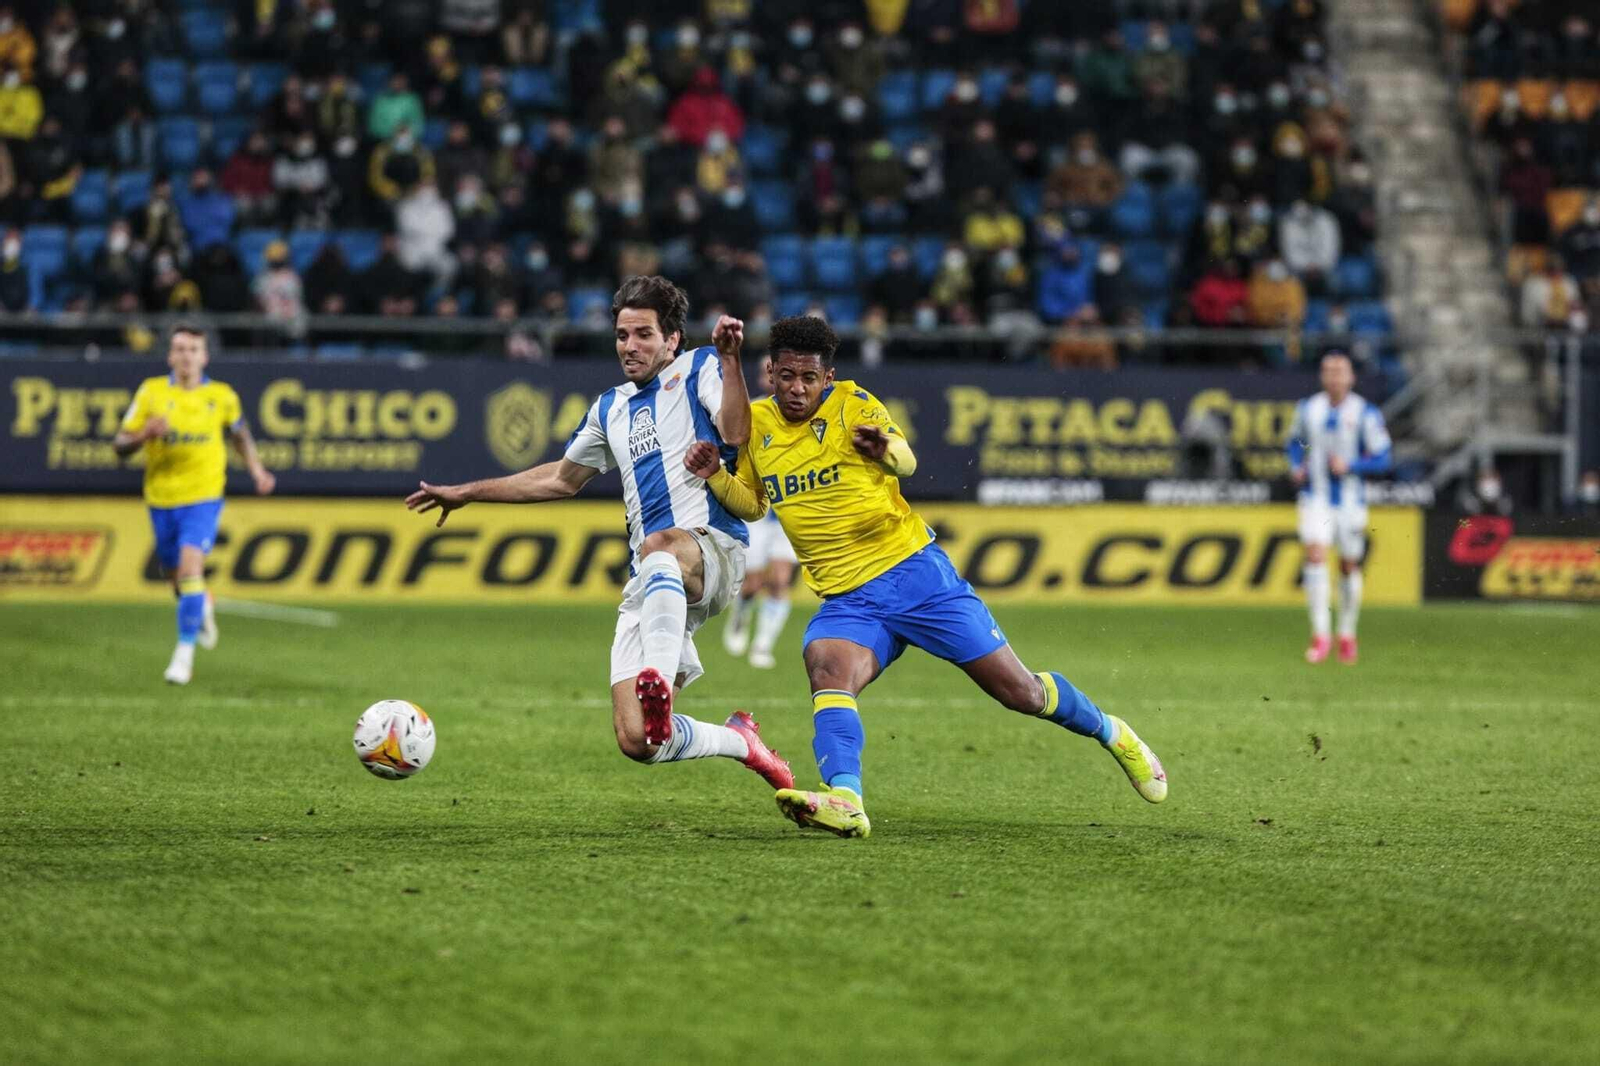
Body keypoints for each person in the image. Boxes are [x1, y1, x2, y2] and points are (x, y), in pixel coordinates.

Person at [686, 315, 1167, 839]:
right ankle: (845, 799)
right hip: (849, 600)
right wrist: (717, 476)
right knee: (826, 666)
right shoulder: (756, 425)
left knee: (1021, 694)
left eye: (808, 378)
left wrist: (885, 452)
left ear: (828, 377)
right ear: (771, 374)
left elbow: (907, 460)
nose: (797, 389)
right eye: (786, 376)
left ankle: (1111, 731)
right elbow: (754, 505)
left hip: (915, 578)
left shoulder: (853, 404)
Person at [404, 276, 792, 793]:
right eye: (622, 335)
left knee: (659, 545)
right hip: (655, 580)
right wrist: (469, 492)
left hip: (711, 549)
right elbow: (560, 479)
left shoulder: (700, 366)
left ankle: (657, 676)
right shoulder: (610, 408)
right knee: (640, 740)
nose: (630, 346)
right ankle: (742, 742)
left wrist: (729, 359)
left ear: (672, 339)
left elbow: (736, 432)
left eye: (644, 335)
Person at [111, 327, 276, 685]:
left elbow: (240, 435)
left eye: (193, 349)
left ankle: (183, 657)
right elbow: (120, 445)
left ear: (205, 357)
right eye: (180, 349)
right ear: (170, 355)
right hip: (161, 498)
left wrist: (257, 470)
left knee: (190, 570)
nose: (186, 355)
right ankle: (203, 603)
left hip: (203, 497)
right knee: (176, 579)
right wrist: (144, 434)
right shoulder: (151, 392)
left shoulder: (222, 396)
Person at [1286, 351, 1393, 666]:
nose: (1334, 377)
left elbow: (1383, 457)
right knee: (1315, 554)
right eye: (1328, 371)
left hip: (1350, 502)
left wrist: (1351, 466)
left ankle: (1346, 633)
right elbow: (1294, 442)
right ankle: (1320, 635)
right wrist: (1296, 465)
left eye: (1339, 371)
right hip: (1315, 497)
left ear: (1351, 377)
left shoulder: (1365, 413)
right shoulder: (1308, 409)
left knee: (1348, 565)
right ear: (1322, 377)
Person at [721, 358, 800, 670]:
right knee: (752, 583)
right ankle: (741, 612)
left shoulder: (807, 415)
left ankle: (763, 645)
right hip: (758, 509)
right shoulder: (751, 412)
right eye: (770, 373)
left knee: (780, 580)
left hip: (790, 512)